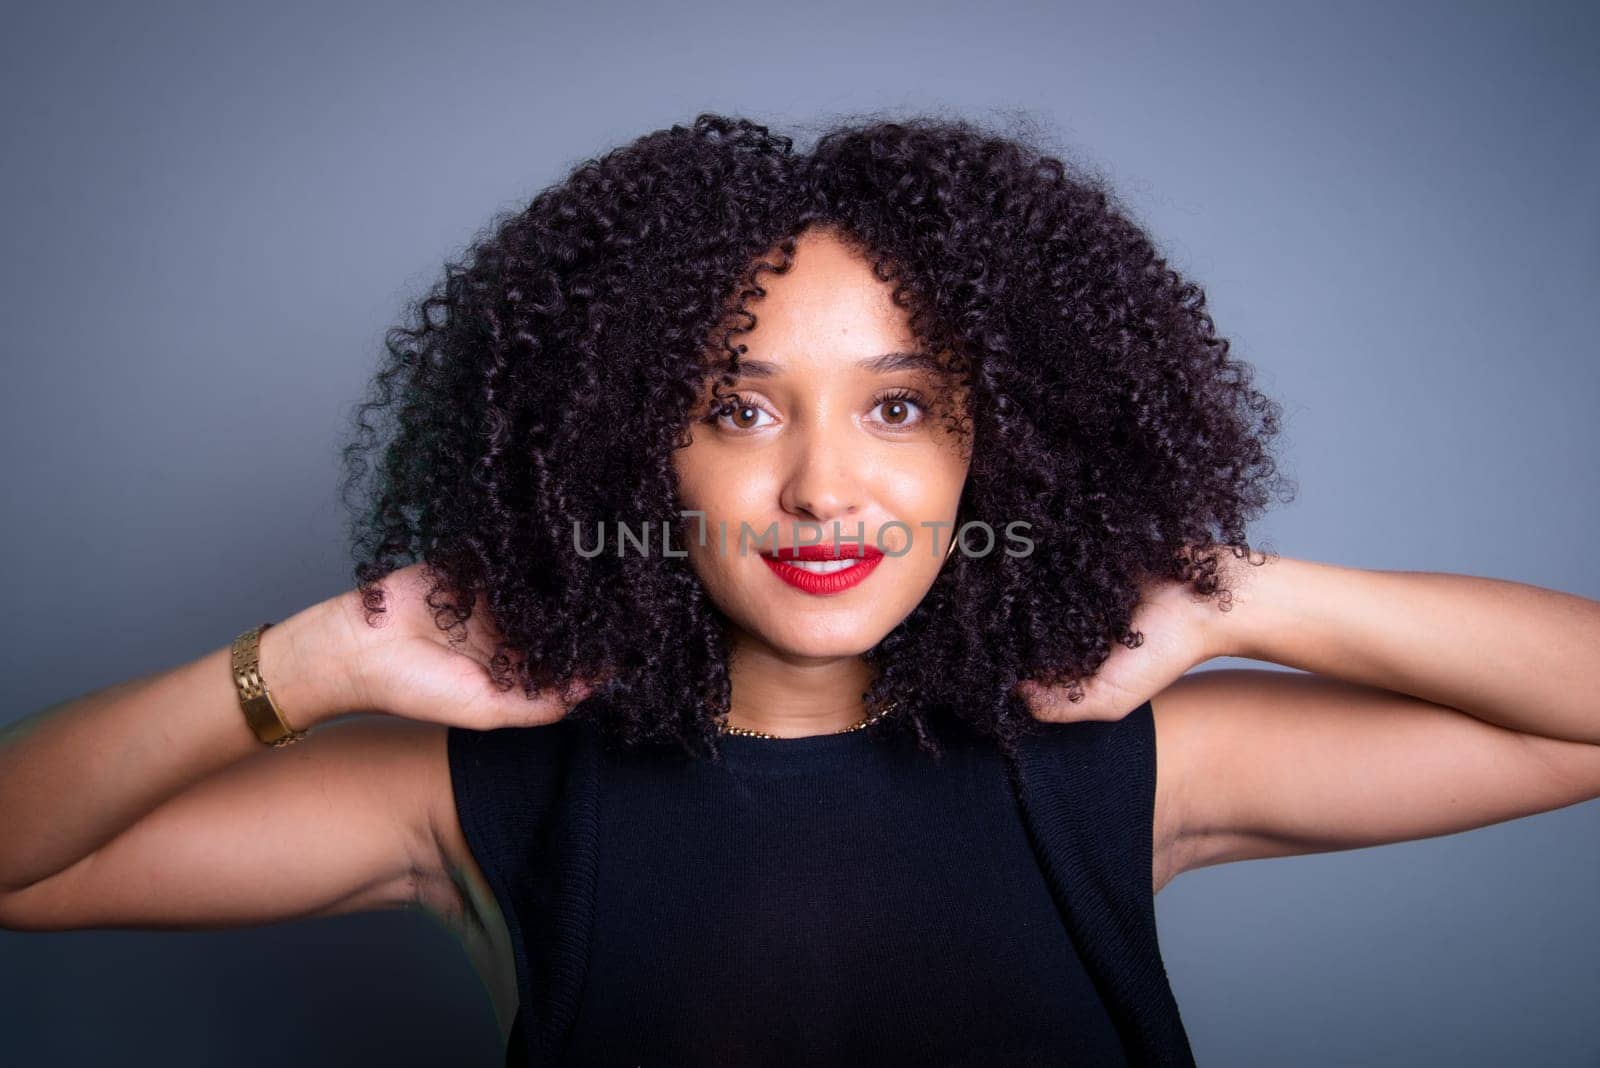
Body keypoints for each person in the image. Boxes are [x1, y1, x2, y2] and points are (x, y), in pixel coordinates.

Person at [2, 112, 1598, 1067]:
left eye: (899, 406)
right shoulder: (488, 793)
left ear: (1005, 443)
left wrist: (1237, 597)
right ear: (630, 448)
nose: (826, 486)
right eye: (737, 407)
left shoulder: (1119, 759)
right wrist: (321, 658)